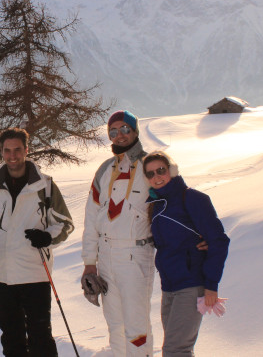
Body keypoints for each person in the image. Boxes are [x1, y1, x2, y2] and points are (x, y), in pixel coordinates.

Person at [0, 128, 74, 357]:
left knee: (40, 339)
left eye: (18, 149)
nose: (12, 155)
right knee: (11, 339)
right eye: (7, 150)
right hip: (2, 276)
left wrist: (47, 237)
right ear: (2, 152)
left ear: (27, 150)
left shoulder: (44, 186)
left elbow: (65, 223)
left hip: (34, 273)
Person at [81, 110, 155, 356]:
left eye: (125, 129)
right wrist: (90, 263)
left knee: (137, 327)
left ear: (135, 130)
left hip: (136, 254)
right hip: (106, 258)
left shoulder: (151, 165)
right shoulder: (104, 170)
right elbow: (91, 218)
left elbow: (174, 203)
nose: (120, 136)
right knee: (115, 326)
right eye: (113, 132)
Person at [143, 151, 229, 357]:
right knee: (179, 349)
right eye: (151, 174)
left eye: (161, 170)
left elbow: (219, 241)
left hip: (191, 285)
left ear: (172, 170)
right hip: (169, 287)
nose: (157, 177)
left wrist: (211, 286)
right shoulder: (156, 205)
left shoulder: (192, 198)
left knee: (175, 350)